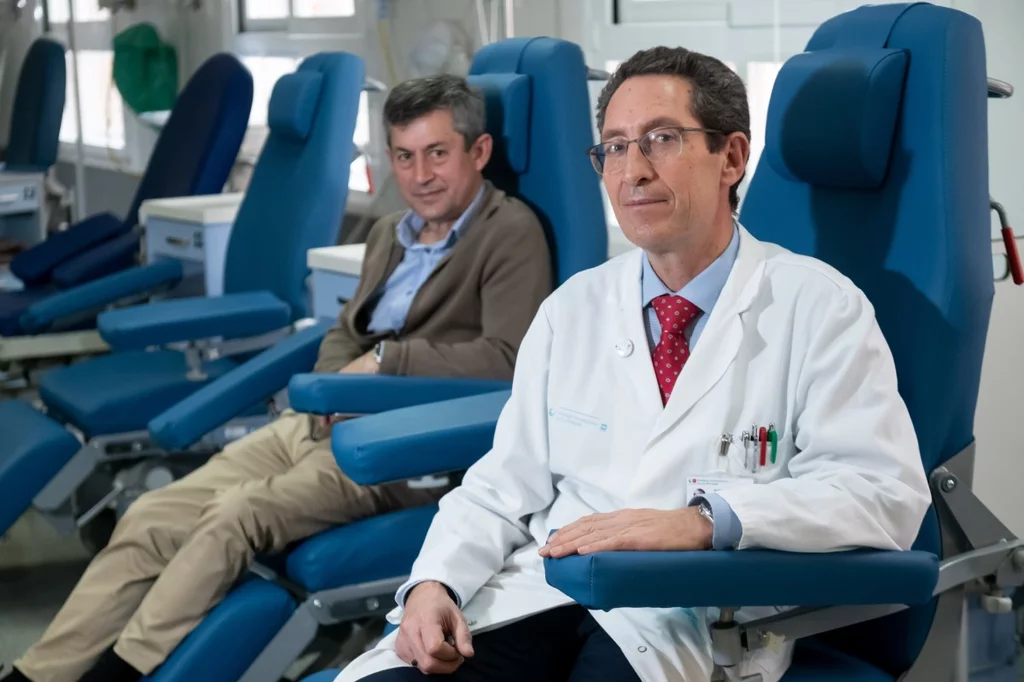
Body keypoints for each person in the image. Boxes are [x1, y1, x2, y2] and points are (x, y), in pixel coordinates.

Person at [333, 46, 932, 682]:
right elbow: (501, 485)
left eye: (661, 139)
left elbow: (882, 494)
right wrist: (433, 583)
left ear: (731, 157)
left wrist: (706, 523)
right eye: (614, 147)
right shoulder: (574, 307)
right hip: (539, 591)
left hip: (681, 613)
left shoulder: (819, 306)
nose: (632, 171)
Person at [5, 73, 552, 682]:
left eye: (437, 153)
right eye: (404, 155)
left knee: (232, 518)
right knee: (153, 513)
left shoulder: (510, 233)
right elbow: (346, 329)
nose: (420, 174)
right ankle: (36, 674)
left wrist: (381, 367)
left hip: (395, 450)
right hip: (321, 422)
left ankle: (122, 671)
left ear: (478, 152)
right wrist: (330, 388)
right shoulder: (386, 233)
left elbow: (507, 358)